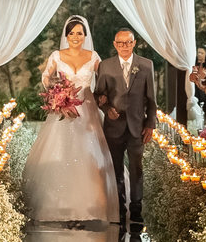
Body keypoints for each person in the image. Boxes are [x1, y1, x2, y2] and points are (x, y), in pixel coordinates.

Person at [24, 17, 120, 225]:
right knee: (62, 152)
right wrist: (55, 90)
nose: (75, 37)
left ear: (85, 36)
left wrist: (102, 95)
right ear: (66, 36)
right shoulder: (56, 56)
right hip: (63, 109)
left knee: (88, 154)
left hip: (87, 110)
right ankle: (59, 206)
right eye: (72, 33)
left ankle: (90, 206)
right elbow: (46, 77)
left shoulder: (93, 56)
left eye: (79, 33)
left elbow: (105, 77)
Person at [94, 28, 157, 229]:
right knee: (116, 168)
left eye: (127, 43)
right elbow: (99, 95)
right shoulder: (106, 66)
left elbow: (152, 100)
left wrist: (150, 124)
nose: (124, 47)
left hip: (138, 126)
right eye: (120, 43)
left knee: (137, 168)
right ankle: (120, 208)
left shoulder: (146, 65)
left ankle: (136, 209)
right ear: (115, 44)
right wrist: (106, 108)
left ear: (134, 43)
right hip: (114, 126)